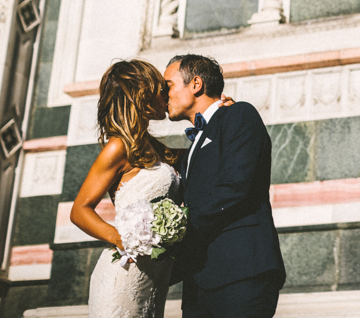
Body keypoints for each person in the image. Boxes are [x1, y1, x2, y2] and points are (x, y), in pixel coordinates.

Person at [164, 54, 285, 318]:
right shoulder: (196, 142)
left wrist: (178, 226)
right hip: (198, 282)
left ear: (196, 84)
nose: (164, 96)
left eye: (168, 86)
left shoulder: (239, 115)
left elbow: (235, 186)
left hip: (241, 272)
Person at [71, 59, 182, 318]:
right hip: (123, 277)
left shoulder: (156, 148)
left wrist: (221, 114)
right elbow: (79, 210)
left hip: (153, 279)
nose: (165, 93)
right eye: (160, 87)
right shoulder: (118, 147)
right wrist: (121, 238)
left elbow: (203, 153)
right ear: (142, 94)